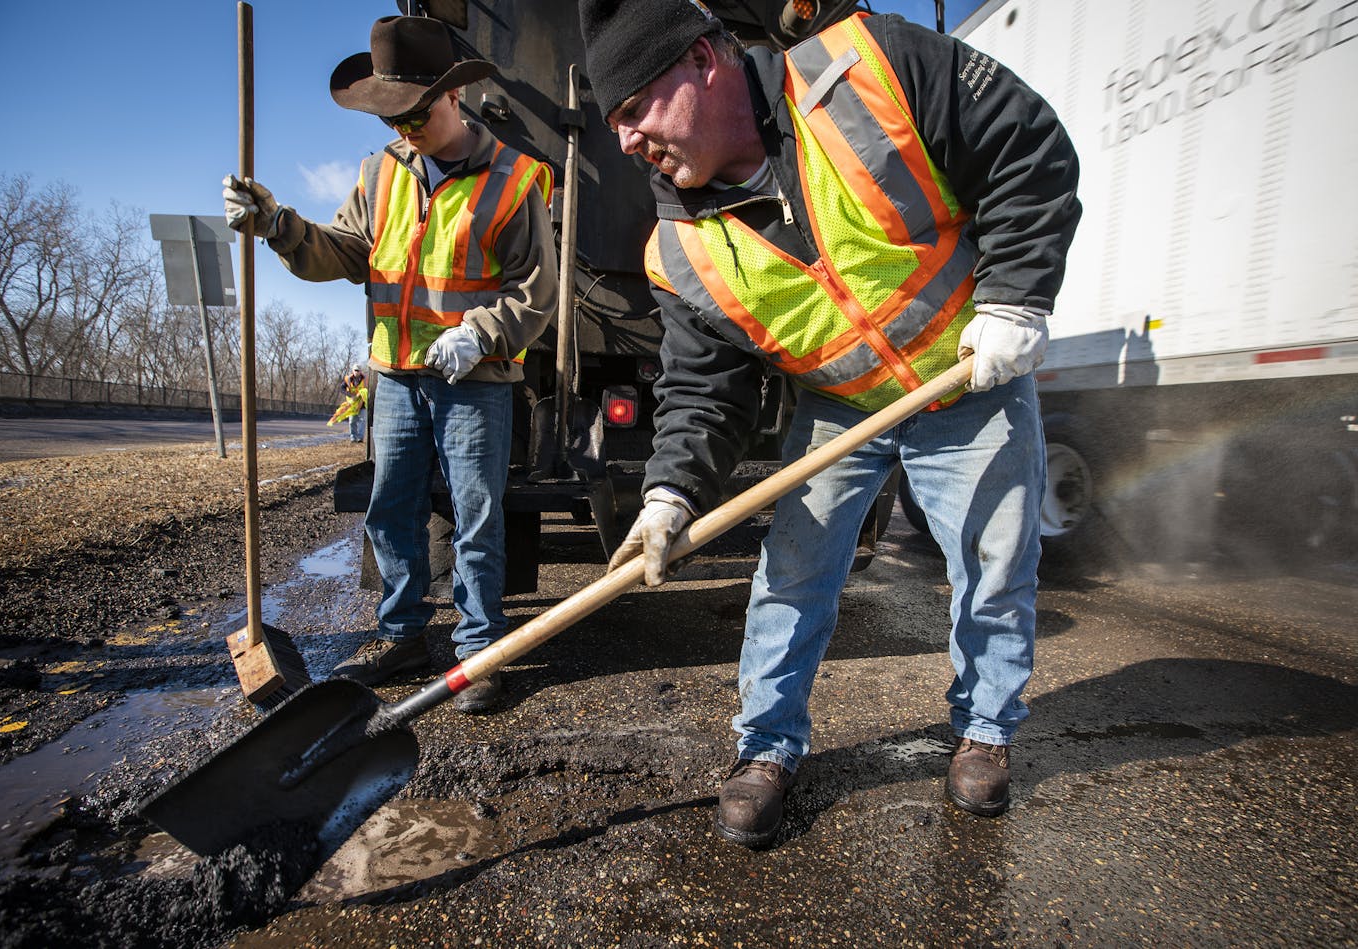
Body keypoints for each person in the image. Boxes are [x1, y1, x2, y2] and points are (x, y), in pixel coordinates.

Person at [579, 0, 1080, 845]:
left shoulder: (863, 70)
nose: (626, 140)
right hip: (842, 402)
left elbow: (1025, 144)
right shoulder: (679, 248)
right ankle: (766, 747)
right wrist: (667, 494)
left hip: (964, 376)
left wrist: (1013, 296)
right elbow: (705, 392)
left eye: (635, 109)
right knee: (794, 572)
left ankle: (985, 732)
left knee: (995, 562)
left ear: (704, 60)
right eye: (615, 122)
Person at [223, 15, 557, 710]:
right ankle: (402, 632)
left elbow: (536, 291)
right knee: (392, 509)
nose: (405, 132)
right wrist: (278, 224)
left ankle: (478, 651)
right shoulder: (380, 175)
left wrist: (482, 333)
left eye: (416, 117)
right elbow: (344, 251)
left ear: (454, 98)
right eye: (393, 121)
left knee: (476, 514)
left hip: (476, 382)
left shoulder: (515, 179)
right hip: (396, 378)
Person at [340, 363, 368, 443]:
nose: (357, 372)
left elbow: (368, 389)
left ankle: (360, 437)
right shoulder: (348, 379)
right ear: (353, 371)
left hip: (362, 404)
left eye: (358, 370)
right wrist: (349, 394)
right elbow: (342, 388)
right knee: (352, 421)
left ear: (360, 371)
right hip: (352, 404)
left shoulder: (365, 379)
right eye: (355, 370)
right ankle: (353, 437)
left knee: (363, 420)